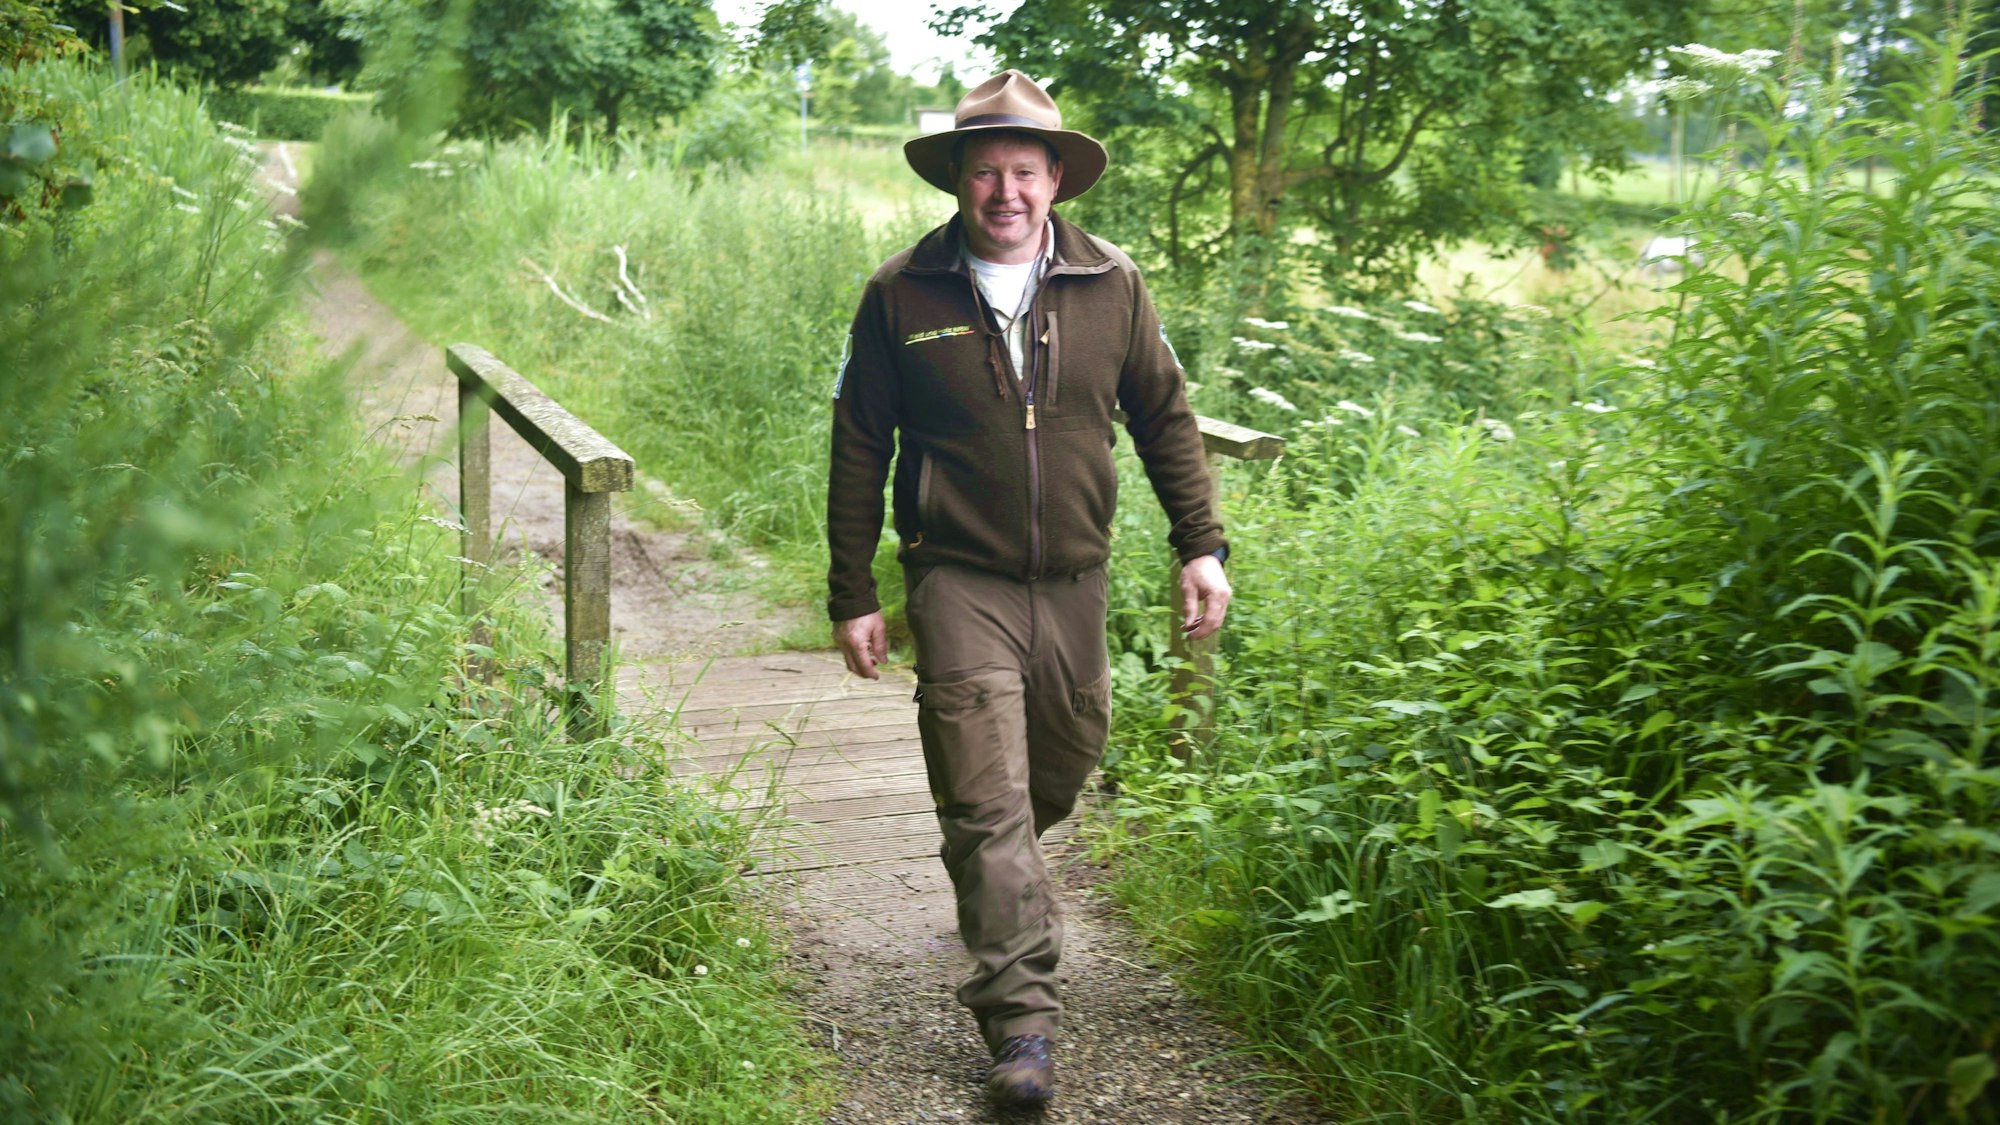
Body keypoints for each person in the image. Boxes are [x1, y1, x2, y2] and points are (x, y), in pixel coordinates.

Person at [825, 69, 1230, 1110]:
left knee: (1055, 772)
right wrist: (851, 587)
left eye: (1023, 170)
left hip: (1077, 583)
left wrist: (1200, 544)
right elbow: (860, 442)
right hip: (956, 578)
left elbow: (1165, 418)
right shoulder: (900, 293)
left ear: (1056, 178)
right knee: (989, 801)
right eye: (984, 171)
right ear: (957, 179)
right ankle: (1022, 1028)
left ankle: (989, 863)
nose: (1003, 191)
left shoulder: (1113, 284)